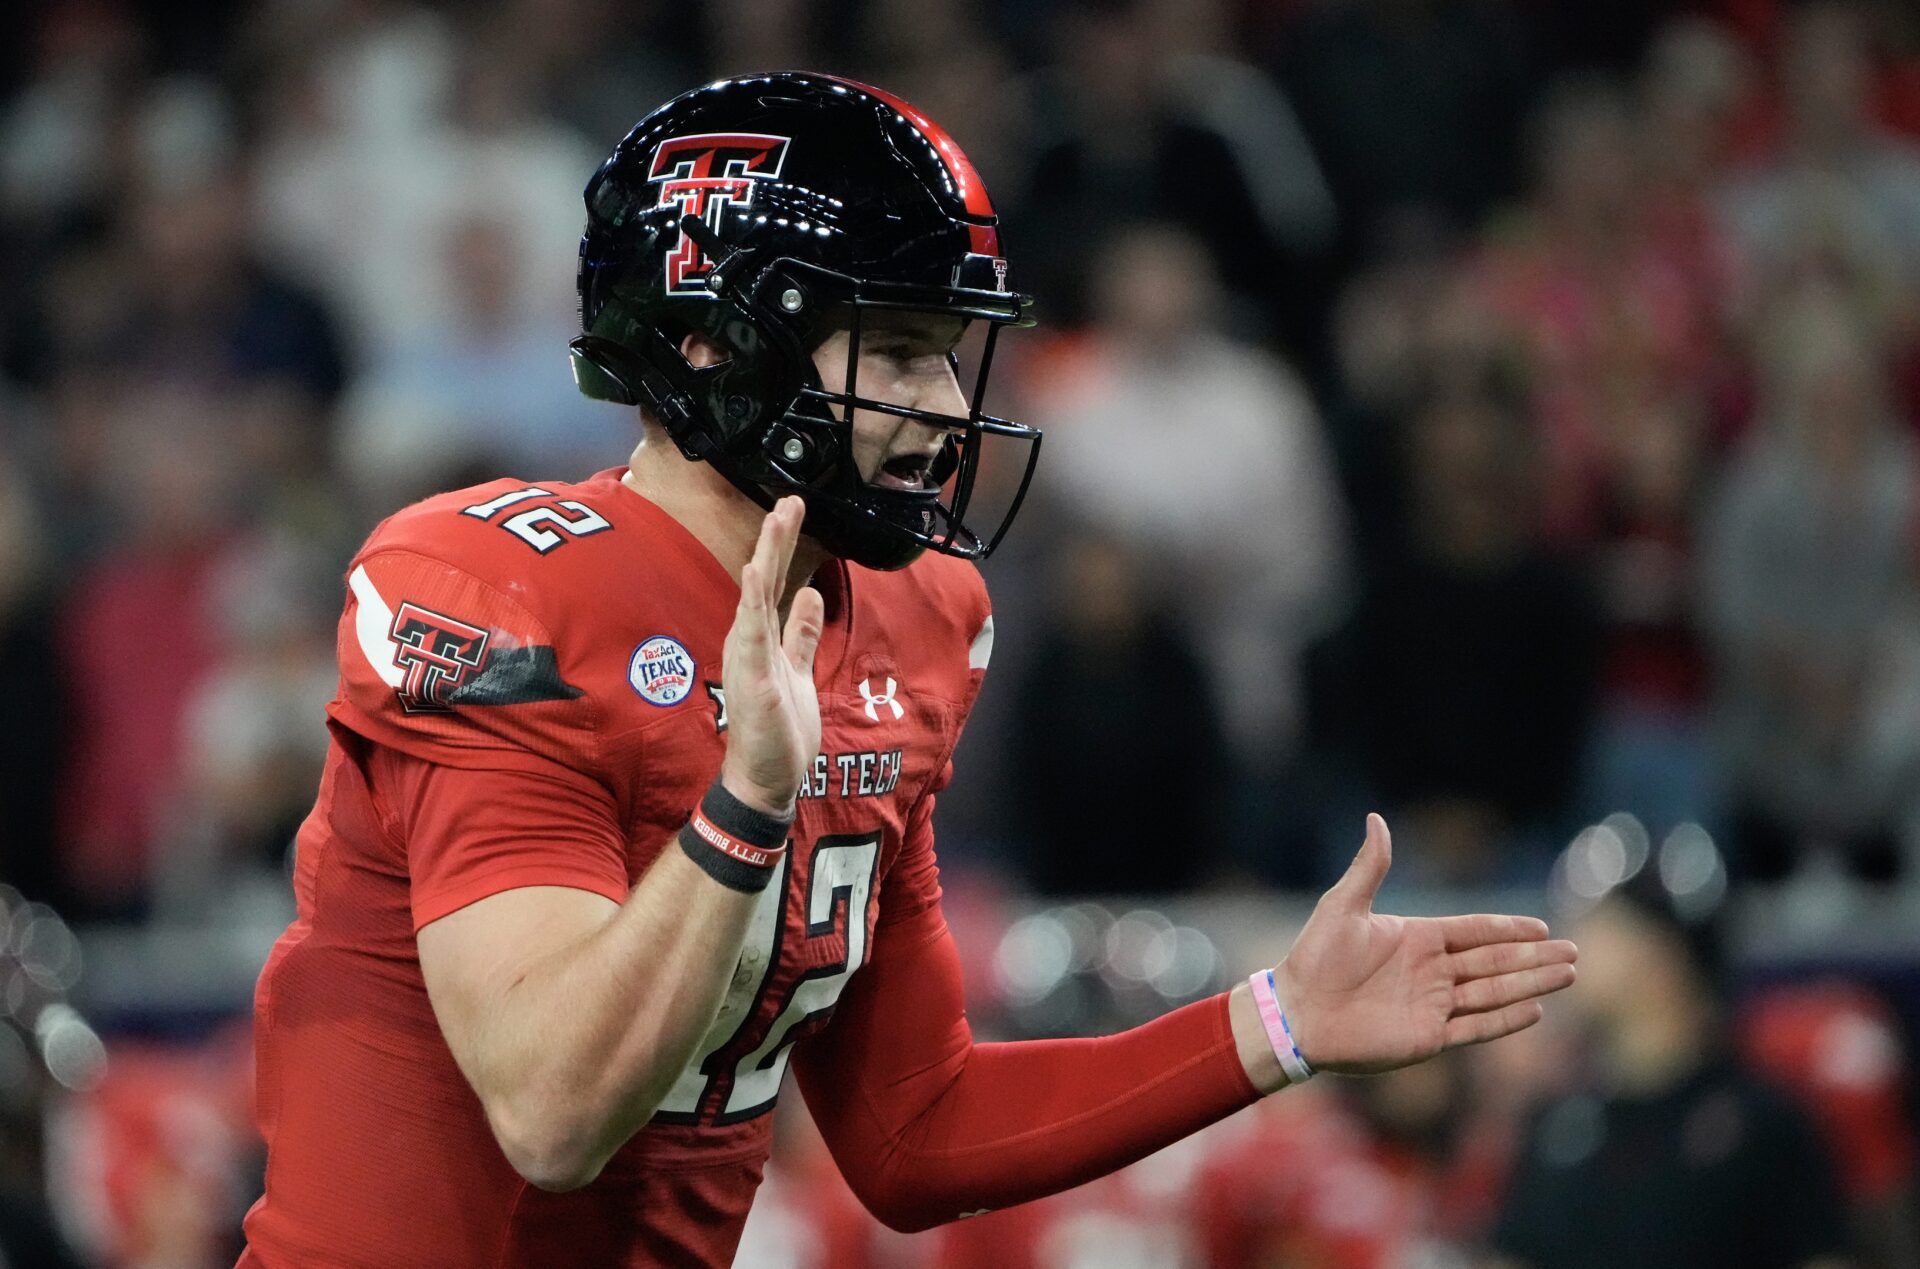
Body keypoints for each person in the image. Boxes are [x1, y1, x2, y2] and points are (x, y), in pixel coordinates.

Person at [236, 72, 1577, 1267]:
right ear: (711, 342)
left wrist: (1274, 1023)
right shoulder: (496, 589)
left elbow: (911, 1130)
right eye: (892, 354)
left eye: (945, 356)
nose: (941, 410)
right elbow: (550, 1111)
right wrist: (746, 804)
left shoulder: (915, 615)